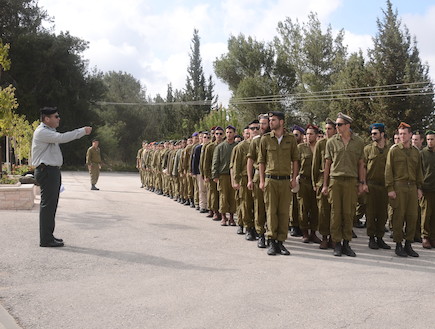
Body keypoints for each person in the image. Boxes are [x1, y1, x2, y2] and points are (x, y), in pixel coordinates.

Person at [32, 107, 92, 247]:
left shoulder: (49, 131)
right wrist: (82, 131)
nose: (59, 119)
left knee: (51, 206)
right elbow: (62, 138)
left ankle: (48, 236)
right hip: (46, 171)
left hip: (50, 171)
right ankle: (45, 239)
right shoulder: (43, 132)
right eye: (56, 116)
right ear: (47, 119)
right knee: (48, 206)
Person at [322, 112, 366, 257]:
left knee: (349, 213)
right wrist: (325, 185)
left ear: (348, 126)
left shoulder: (358, 142)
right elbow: (327, 165)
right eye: (336, 125)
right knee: (336, 213)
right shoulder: (331, 142)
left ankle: (347, 243)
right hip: (336, 181)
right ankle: (337, 244)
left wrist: (362, 182)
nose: (337, 127)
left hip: (351, 182)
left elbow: (361, 164)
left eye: (339, 124)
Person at [258, 112, 299, 256]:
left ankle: (281, 241)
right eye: (269, 120)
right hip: (271, 180)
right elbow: (261, 161)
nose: (270, 122)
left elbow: (295, 160)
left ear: (281, 122)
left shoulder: (291, 139)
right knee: (271, 211)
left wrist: (294, 178)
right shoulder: (265, 139)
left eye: (273, 120)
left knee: (283, 212)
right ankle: (272, 241)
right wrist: (262, 180)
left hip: (285, 180)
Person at [385, 122, 423, 257]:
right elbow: (388, 170)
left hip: (412, 187)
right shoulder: (394, 150)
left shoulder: (415, 152)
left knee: (412, 216)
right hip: (399, 186)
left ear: (410, 135)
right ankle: (398, 244)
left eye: (404, 134)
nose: (402, 136)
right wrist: (390, 188)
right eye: (400, 134)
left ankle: (408, 244)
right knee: (398, 216)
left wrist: (419, 188)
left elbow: (419, 171)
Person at [364, 123, 391, 250]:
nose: (372, 135)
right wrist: (363, 183)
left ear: (382, 134)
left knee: (382, 213)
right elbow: (362, 167)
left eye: (375, 133)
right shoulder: (368, 149)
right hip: (371, 185)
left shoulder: (390, 150)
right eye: (372, 133)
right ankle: (371, 238)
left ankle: (380, 238)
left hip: (384, 186)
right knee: (371, 213)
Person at [312, 118, 336, 249]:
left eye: (329, 129)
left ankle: (334, 237)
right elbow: (315, 165)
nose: (327, 131)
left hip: (335, 180)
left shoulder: (338, 143)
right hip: (322, 180)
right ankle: (324, 237)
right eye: (326, 129)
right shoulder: (321, 143)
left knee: (335, 211)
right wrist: (314, 182)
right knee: (323, 211)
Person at [247, 114, 269, 248]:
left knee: (273, 209)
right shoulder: (256, 141)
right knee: (260, 207)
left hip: (274, 177)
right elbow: (250, 161)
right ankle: (261, 234)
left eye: (264, 123)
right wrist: (249, 179)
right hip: (258, 178)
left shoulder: (276, 140)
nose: (262, 126)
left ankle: (274, 235)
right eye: (260, 124)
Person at [297, 124, 321, 244]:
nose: (308, 136)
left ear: (316, 136)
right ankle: (305, 232)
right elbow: (295, 164)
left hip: (317, 182)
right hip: (304, 181)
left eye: (311, 134)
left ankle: (313, 233)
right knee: (303, 207)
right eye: (307, 133)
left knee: (315, 208)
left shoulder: (320, 147)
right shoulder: (301, 148)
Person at [212, 125, 238, 226]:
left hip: (234, 176)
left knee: (232, 197)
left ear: (234, 133)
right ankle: (223, 217)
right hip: (223, 176)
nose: (229, 134)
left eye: (231, 132)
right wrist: (215, 175)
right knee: (223, 196)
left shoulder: (237, 146)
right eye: (227, 132)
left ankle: (232, 217)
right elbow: (215, 162)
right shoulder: (220, 147)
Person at [420, 130, 435, 249]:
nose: (430, 142)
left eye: (432, 139)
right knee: (426, 213)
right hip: (427, 187)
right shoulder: (423, 153)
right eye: (428, 139)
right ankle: (425, 236)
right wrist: (420, 187)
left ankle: (433, 237)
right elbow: (419, 171)